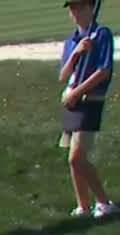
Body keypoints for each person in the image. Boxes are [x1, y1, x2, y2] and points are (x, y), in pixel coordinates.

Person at [59, 0, 120, 218]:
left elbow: (103, 71)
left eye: (79, 7)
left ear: (91, 8)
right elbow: (63, 75)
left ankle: (104, 202)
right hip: (70, 100)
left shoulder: (101, 34)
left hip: (88, 100)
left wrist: (77, 93)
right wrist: (76, 52)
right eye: (72, 8)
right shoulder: (72, 40)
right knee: (72, 159)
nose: (75, 12)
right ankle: (83, 205)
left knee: (77, 156)